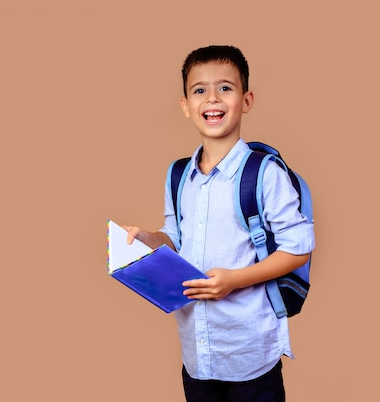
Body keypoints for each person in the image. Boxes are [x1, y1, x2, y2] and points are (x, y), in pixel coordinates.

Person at [123, 45, 315, 402]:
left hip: (250, 353)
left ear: (246, 100)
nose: (212, 98)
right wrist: (148, 239)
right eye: (200, 90)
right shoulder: (178, 174)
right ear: (185, 106)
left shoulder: (264, 173)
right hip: (197, 353)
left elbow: (298, 248)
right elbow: (175, 239)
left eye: (225, 87)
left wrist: (233, 280)